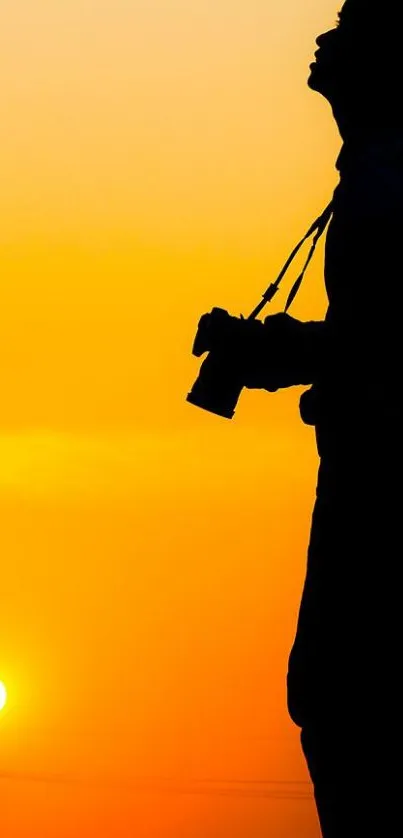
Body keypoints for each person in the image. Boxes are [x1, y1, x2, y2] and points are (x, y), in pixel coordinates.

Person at [246, 2, 403, 834]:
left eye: (352, 28)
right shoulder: (372, 174)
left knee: (344, 705)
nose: (325, 41)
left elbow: (394, 343)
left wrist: (277, 357)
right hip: (362, 468)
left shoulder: (387, 180)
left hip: (383, 482)